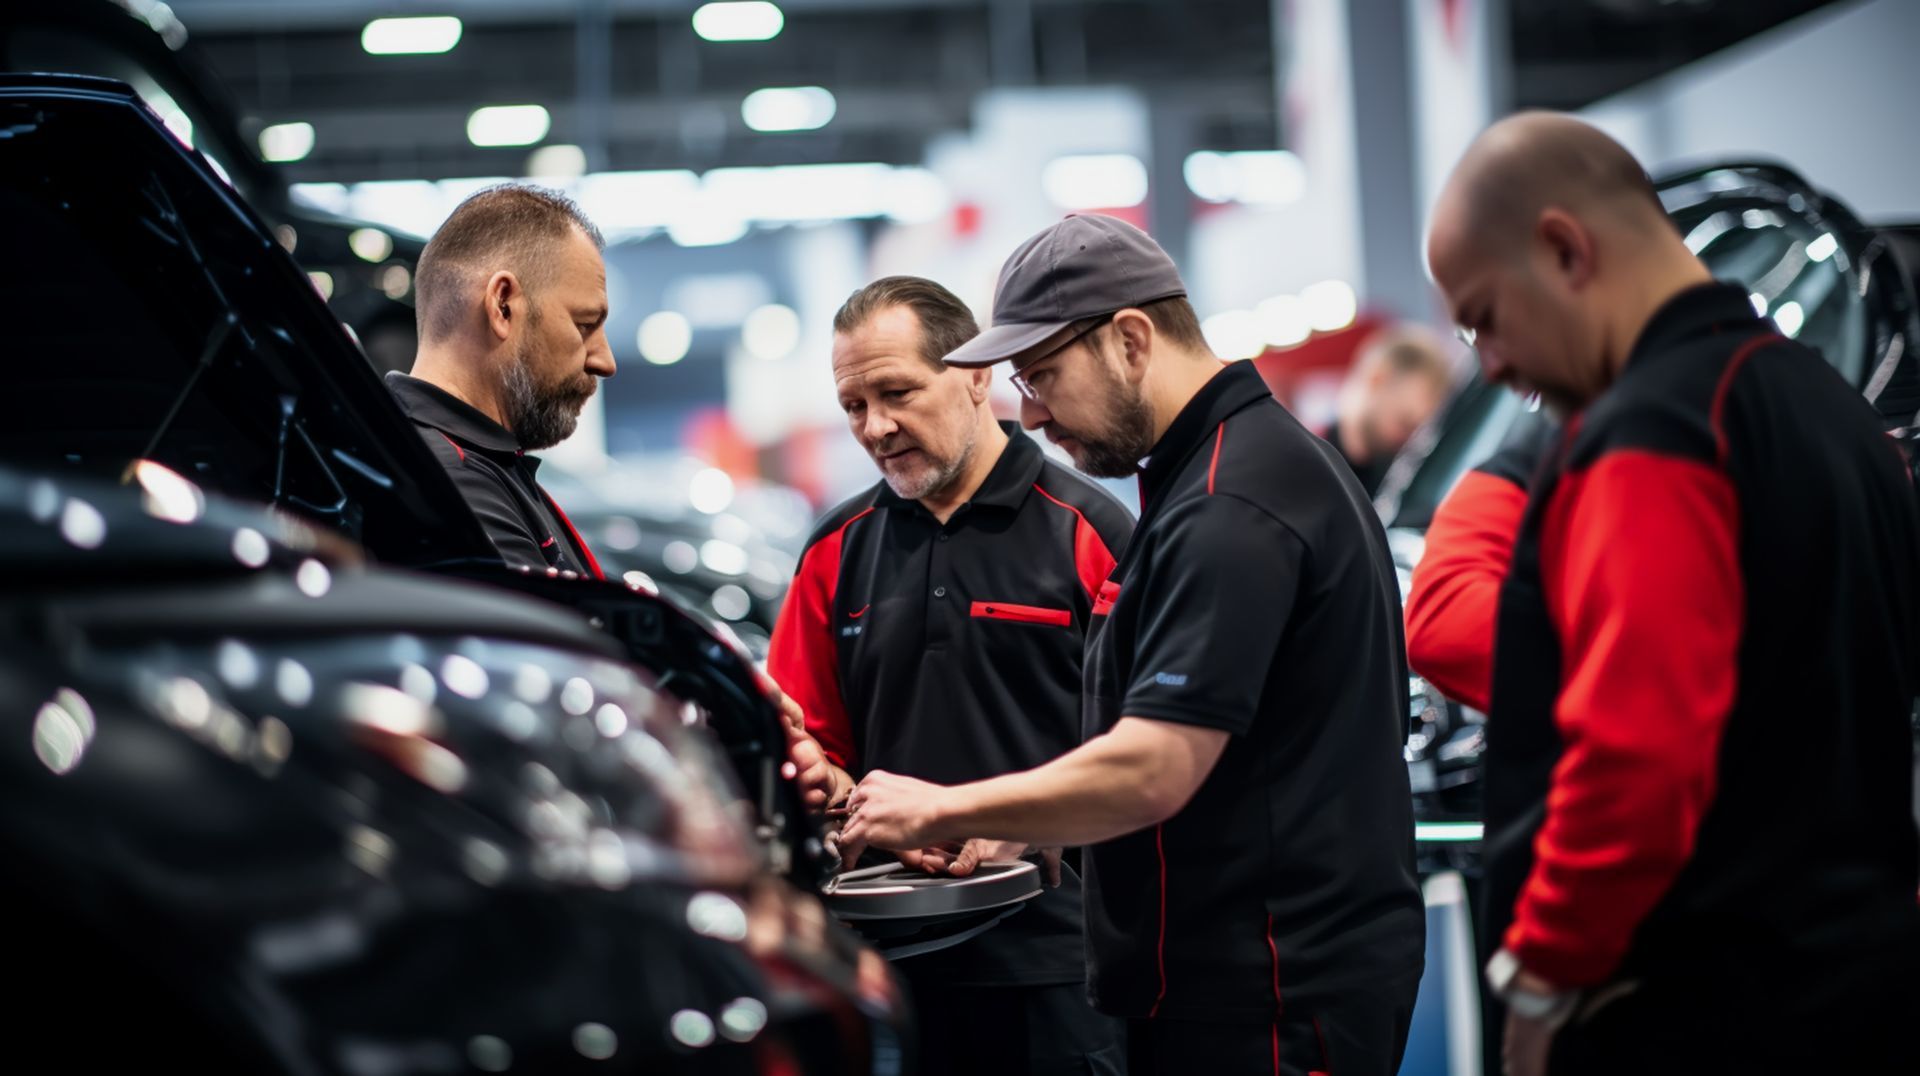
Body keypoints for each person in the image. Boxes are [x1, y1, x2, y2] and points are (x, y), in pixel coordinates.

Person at [836, 215, 1424, 1076]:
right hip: (1229, 986)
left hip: (1271, 1000)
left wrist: (942, 808)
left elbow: (1153, 769)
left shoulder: (1231, 506)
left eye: (1041, 377)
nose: (1029, 413)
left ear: (1131, 340)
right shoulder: (1214, 478)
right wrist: (1032, 830)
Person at [1417, 112, 1920, 1076]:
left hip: (1687, 1007)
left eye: (1485, 316)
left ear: (1564, 250)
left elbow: (1635, 752)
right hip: (1850, 985)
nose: (1492, 363)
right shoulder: (1839, 419)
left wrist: (1543, 975)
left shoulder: (1655, 431)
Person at [768, 276, 1133, 1076]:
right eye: (854, 407)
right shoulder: (834, 553)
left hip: (1061, 972)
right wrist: (819, 780)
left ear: (976, 374)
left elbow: (1150, 765)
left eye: (897, 392)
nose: (876, 427)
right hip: (888, 965)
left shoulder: (1094, 535)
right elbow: (809, 746)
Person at [386, 183, 615, 577]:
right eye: (584, 325)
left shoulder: (476, 466)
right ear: (502, 306)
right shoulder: (448, 485)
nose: (605, 361)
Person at [1323, 325, 1456, 494]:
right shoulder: (1305, 463)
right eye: (1405, 423)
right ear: (1376, 379)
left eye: (1418, 432)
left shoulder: (1399, 485)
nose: (1408, 440)